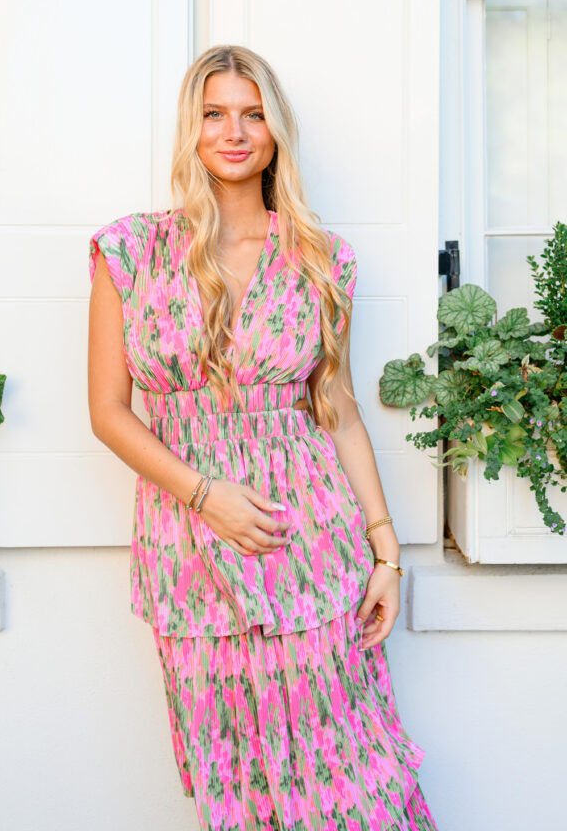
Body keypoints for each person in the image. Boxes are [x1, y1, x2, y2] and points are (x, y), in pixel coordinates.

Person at [88, 44, 438, 830]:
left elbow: (338, 409)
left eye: (253, 115)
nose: (234, 132)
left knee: (352, 779)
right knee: (241, 789)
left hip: (308, 543)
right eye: (214, 114)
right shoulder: (130, 250)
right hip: (190, 556)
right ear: (192, 129)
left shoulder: (319, 258)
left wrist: (386, 553)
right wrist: (204, 498)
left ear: (276, 132)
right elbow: (109, 412)